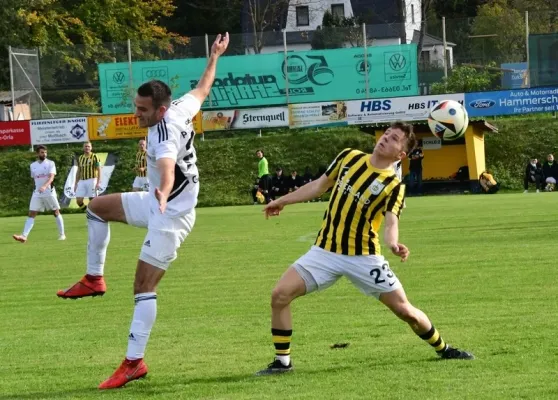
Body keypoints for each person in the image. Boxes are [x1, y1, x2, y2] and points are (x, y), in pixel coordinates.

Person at [56, 33, 230, 390]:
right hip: (155, 202)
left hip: (171, 213)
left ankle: (134, 362)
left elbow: (167, 168)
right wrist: (214, 57)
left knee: (142, 286)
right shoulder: (179, 107)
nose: (136, 113)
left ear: (160, 110)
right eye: (136, 106)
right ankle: (93, 278)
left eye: (142, 110)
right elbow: (202, 90)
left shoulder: (165, 135)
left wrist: (164, 193)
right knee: (97, 209)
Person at [255, 121, 474, 376]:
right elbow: (319, 185)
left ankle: (444, 348)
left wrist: (393, 243)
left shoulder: (394, 186)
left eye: (394, 139)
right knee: (279, 295)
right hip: (324, 251)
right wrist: (282, 201)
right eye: (387, 135)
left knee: (406, 311)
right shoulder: (348, 157)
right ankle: (282, 363)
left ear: (400, 155)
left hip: (364, 258)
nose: (385, 139)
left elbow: (392, 221)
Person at [13, 145, 66, 243]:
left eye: (45, 152)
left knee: (56, 212)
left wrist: (45, 186)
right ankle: (24, 236)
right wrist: (36, 189)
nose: (44, 154)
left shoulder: (51, 163)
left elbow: (51, 177)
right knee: (31, 213)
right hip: (37, 193)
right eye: (42, 152)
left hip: (49, 192)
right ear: (37, 153)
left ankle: (62, 234)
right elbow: (35, 179)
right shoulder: (33, 165)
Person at [74, 142, 102, 211]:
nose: (87, 148)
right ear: (83, 148)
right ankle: (88, 211)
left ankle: (97, 213)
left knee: (92, 199)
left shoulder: (95, 156)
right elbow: (79, 171)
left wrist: (98, 183)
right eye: (85, 146)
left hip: (92, 180)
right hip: (82, 181)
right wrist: (75, 183)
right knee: (79, 200)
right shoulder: (80, 157)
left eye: (88, 146)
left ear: (91, 148)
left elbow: (99, 170)